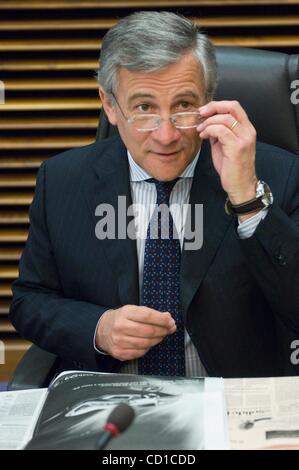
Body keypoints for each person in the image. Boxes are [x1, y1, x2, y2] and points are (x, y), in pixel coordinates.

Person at [9, 11, 299, 379]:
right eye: (145, 108)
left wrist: (247, 199)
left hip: (232, 406)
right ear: (110, 105)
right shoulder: (63, 180)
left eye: (183, 106)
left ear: (208, 100)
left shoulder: (277, 175)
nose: (166, 135)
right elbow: (30, 301)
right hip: (112, 401)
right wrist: (98, 329)